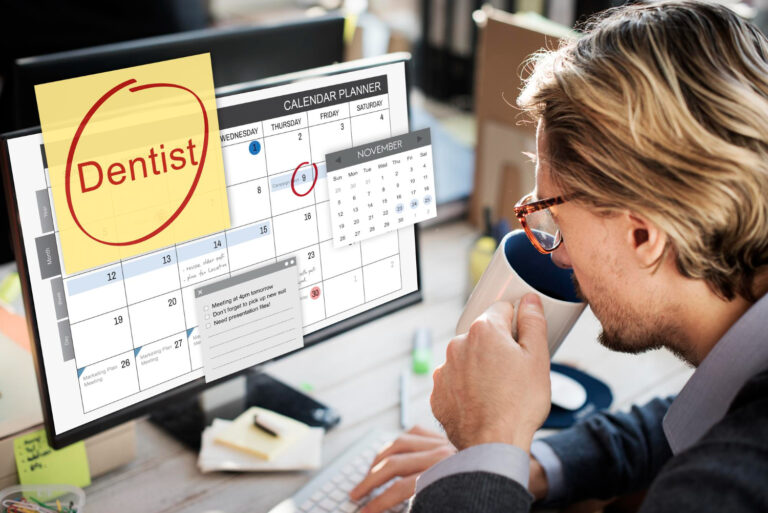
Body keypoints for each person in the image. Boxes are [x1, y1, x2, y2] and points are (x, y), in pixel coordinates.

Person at [349, 1, 768, 511]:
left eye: (554, 218)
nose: (559, 256)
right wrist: (522, 464)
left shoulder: (729, 489)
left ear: (644, 237)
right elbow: (692, 419)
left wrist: (488, 443)